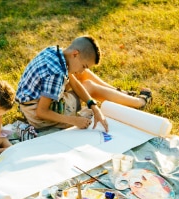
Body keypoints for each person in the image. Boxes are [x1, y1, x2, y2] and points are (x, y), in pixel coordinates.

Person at [15, 36, 152, 132]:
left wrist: (94, 107)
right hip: (36, 113)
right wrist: (74, 120)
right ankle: (139, 102)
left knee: (81, 76)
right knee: (89, 86)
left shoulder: (56, 52)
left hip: (31, 102)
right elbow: (41, 112)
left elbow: (74, 82)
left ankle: (119, 94)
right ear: (75, 54)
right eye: (84, 65)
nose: (83, 69)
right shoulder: (56, 74)